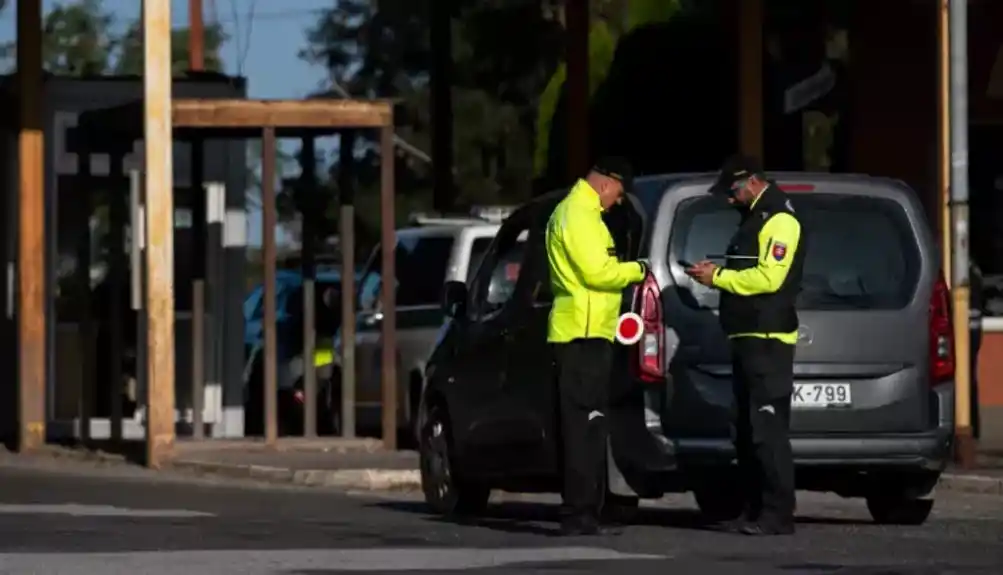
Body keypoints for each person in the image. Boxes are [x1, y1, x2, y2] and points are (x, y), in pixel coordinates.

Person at [685, 154, 805, 536]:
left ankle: (778, 513)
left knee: (767, 430)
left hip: (768, 339)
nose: (729, 199)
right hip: (747, 336)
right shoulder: (754, 218)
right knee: (746, 428)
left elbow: (770, 278)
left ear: (752, 182)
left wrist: (717, 277)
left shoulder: (781, 220)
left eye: (733, 191)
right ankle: (754, 508)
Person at [545, 157, 648, 536]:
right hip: (581, 335)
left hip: (590, 333)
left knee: (588, 427)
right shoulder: (578, 215)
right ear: (606, 184)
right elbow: (598, 273)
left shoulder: (583, 213)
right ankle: (578, 513)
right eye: (618, 194)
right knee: (582, 428)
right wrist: (638, 269)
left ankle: (584, 510)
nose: (618, 202)